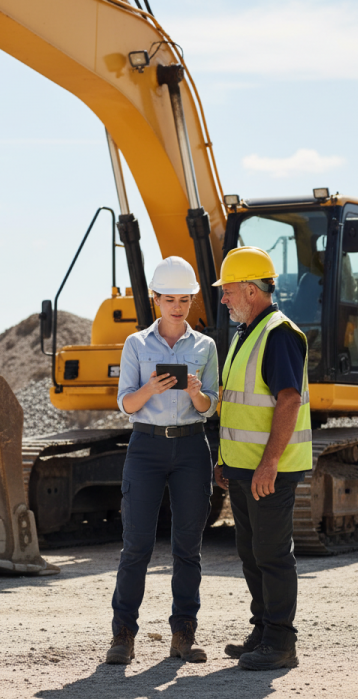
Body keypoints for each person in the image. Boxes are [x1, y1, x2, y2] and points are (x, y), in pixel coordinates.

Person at [106, 257, 219, 665]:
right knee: (136, 546)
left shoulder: (206, 347)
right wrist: (151, 387)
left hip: (191, 449)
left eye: (184, 300)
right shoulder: (136, 344)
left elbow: (210, 407)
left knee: (188, 548)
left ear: (192, 300)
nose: (177, 306)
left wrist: (194, 393)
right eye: (169, 299)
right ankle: (122, 636)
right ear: (155, 299)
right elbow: (125, 404)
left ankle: (183, 636)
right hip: (146, 448)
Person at [212, 246, 312, 671]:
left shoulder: (279, 333)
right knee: (252, 553)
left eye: (229, 291)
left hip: (269, 471)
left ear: (251, 290)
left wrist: (269, 464)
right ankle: (263, 629)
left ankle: (280, 641)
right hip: (242, 469)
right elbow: (236, 406)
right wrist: (224, 461)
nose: (223, 299)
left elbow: (288, 401)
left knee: (272, 554)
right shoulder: (245, 334)